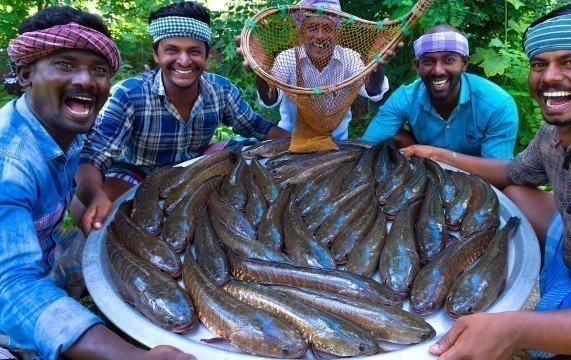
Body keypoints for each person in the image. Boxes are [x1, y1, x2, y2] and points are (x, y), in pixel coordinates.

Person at [403, 2, 571, 358]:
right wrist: (439, 155)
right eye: (539, 64)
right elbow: (511, 173)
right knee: (513, 192)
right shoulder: (558, 127)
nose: (549, 78)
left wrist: (516, 329)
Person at [0, 6, 193, 360]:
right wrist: (131, 357)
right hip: (9, 294)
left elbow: (87, 163)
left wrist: (96, 193)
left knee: (138, 249)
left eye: (99, 70)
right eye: (65, 65)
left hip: (48, 255)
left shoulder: (59, 128)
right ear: (26, 73)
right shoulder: (9, 163)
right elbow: (10, 288)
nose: (87, 80)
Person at [72, 1, 291, 235]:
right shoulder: (129, 94)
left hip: (195, 168)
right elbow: (93, 158)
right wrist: (95, 196)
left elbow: (258, 128)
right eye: (172, 50)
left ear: (206, 56)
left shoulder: (221, 90)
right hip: (140, 172)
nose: (184, 61)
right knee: (86, 202)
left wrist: (302, 143)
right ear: (156, 54)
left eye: (194, 51)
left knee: (254, 158)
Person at [239, 0, 396, 141]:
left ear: (337, 33)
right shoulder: (286, 58)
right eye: (313, 28)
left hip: (337, 144)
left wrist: (377, 65)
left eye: (327, 28)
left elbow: (373, 92)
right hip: (289, 142)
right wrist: (260, 69)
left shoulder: (350, 58)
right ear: (301, 34)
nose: (320, 36)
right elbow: (269, 99)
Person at [362, 24, 519, 159]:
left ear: (464, 63)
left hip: (479, 180)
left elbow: (500, 171)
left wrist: (435, 154)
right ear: (417, 66)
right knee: (395, 139)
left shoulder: (497, 103)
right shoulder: (406, 97)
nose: (438, 71)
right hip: (427, 171)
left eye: (449, 60)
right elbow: (365, 147)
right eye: (428, 61)